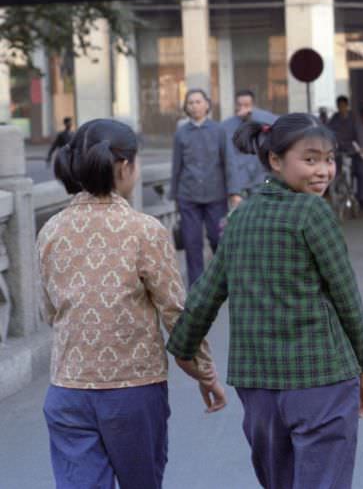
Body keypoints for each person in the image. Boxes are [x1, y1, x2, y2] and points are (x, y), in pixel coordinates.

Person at [167, 113, 363, 489]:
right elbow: (347, 299)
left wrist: (185, 350)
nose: (323, 170)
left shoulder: (240, 215)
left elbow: (206, 293)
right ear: (275, 161)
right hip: (322, 381)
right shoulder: (313, 213)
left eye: (328, 159)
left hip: (258, 387)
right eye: (310, 159)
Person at [38, 119, 225, 489]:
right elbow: (176, 314)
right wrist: (204, 372)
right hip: (133, 391)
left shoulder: (51, 231)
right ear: (124, 166)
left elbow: (50, 311)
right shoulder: (145, 230)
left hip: (67, 390)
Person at [170, 88, 238, 286]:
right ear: (186, 107)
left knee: (217, 239)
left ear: (207, 104)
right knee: (192, 243)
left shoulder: (219, 131)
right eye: (190, 102)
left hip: (215, 194)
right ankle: (197, 287)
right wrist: (174, 196)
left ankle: (220, 282)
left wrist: (234, 191)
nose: (194, 106)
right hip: (188, 195)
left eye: (198, 101)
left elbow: (229, 161)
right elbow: (176, 166)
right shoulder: (181, 134)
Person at [221, 89, 279, 206]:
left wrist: (253, 115)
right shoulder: (226, 126)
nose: (243, 108)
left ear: (253, 105)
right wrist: (233, 191)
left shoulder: (264, 119)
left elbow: (278, 123)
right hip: (240, 181)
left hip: (261, 178)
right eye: (240, 105)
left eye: (247, 105)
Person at [328, 95, 363, 206]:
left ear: (347, 106)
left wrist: (362, 148)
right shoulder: (334, 119)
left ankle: (361, 198)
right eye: (339, 106)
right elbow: (328, 133)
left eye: (343, 105)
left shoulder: (354, 118)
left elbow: (360, 133)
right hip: (339, 151)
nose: (341, 108)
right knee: (334, 173)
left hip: (353, 149)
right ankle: (336, 194)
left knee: (361, 172)